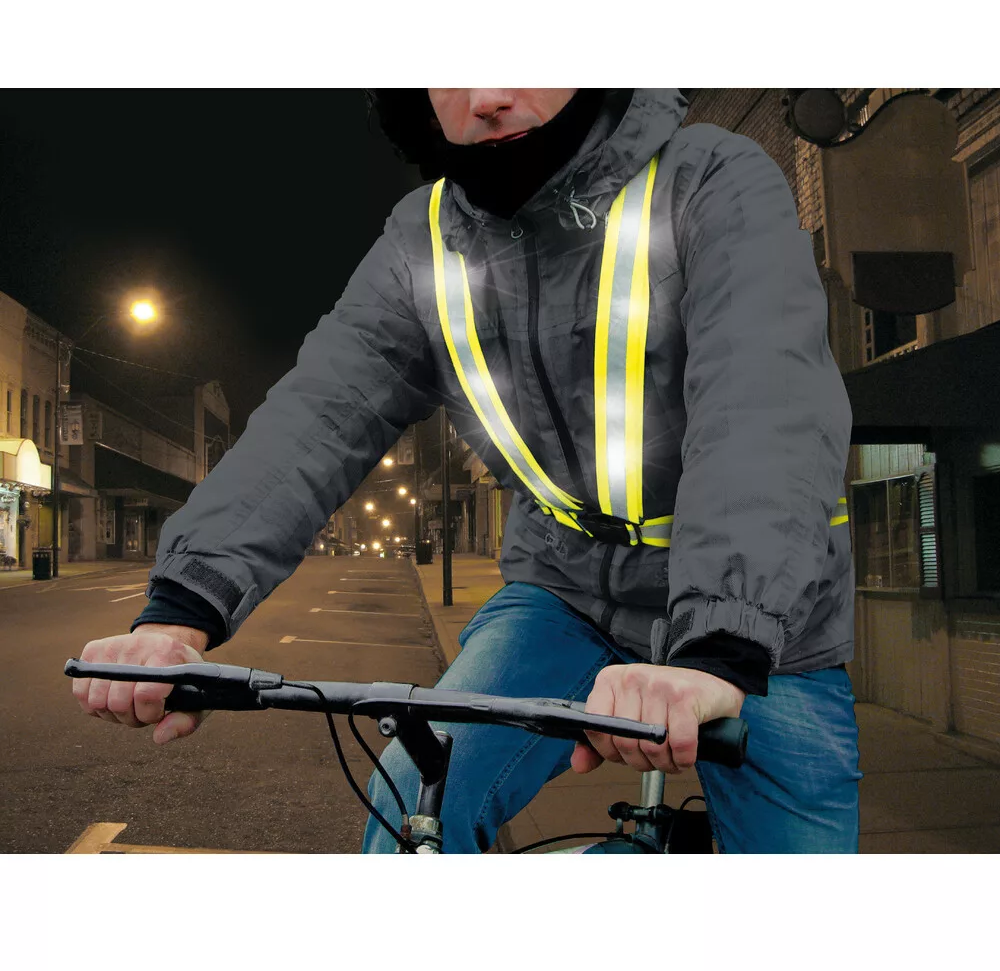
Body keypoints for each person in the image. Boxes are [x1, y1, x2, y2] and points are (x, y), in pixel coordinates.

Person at [71, 89, 862, 853]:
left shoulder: (710, 178)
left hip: (762, 622)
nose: (486, 96)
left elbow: (763, 407)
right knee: (413, 796)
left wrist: (720, 646)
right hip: (568, 593)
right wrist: (179, 611)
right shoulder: (420, 242)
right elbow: (316, 419)